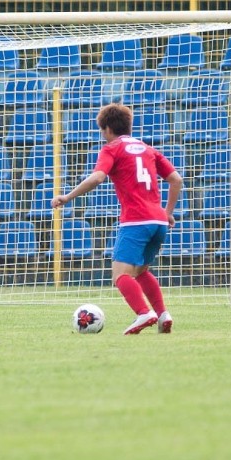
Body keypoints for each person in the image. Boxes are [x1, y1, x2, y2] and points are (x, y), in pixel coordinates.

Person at [51, 103, 183, 335]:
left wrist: (68, 196)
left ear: (108, 128)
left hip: (136, 220)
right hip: (158, 221)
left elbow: (97, 178)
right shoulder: (147, 148)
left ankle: (144, 313)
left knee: (121, 275)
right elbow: (176, 179)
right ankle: (163, 315)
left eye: (102, 130)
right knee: (140, 272)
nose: (102, 134)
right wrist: (168, 212)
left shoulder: (111, 149)